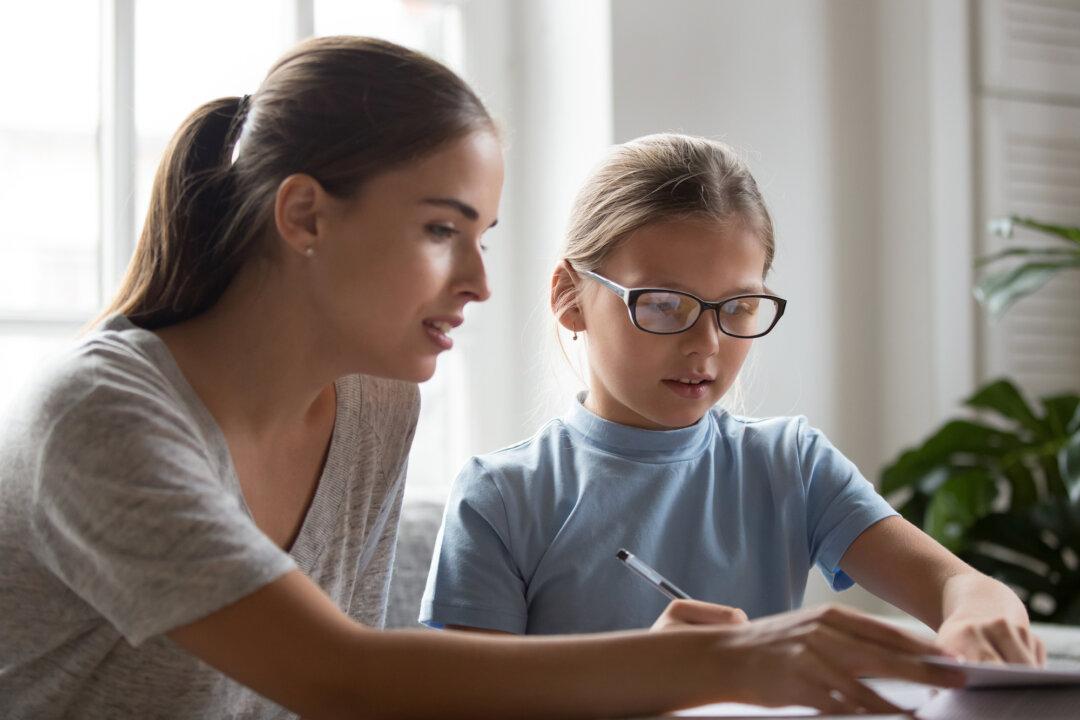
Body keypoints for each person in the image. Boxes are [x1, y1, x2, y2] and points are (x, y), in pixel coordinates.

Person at [0, 37, 964, 719]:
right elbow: (341, 680)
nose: (478, 281)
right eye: (439, 230)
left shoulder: (374, 403)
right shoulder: (101, 416)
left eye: (482, 236)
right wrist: (721, 659)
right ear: (304, 217)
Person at [421, 134, 1045, 666]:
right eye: (664, 304)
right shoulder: (501, 498)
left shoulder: (790, 465)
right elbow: (470, 702)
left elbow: (959, 587)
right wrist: (650, 674)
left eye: (739, 307)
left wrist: (979, 609)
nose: (707, 344)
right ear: (569, 296)